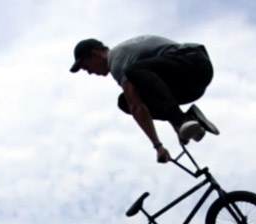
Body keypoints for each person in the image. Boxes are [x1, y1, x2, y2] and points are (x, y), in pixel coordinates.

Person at [70, 35, 219, 164]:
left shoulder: (117, 59)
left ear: (95, 53)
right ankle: (188, 118)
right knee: (128, 98)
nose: (89, 72)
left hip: (193, 63)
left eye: (85, 67)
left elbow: (136, 107)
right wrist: (179, 127)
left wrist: (158, 146)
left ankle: (181, 119)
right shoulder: (127, 55)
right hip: (189, 84)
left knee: (130, 90)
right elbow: (156, 93)